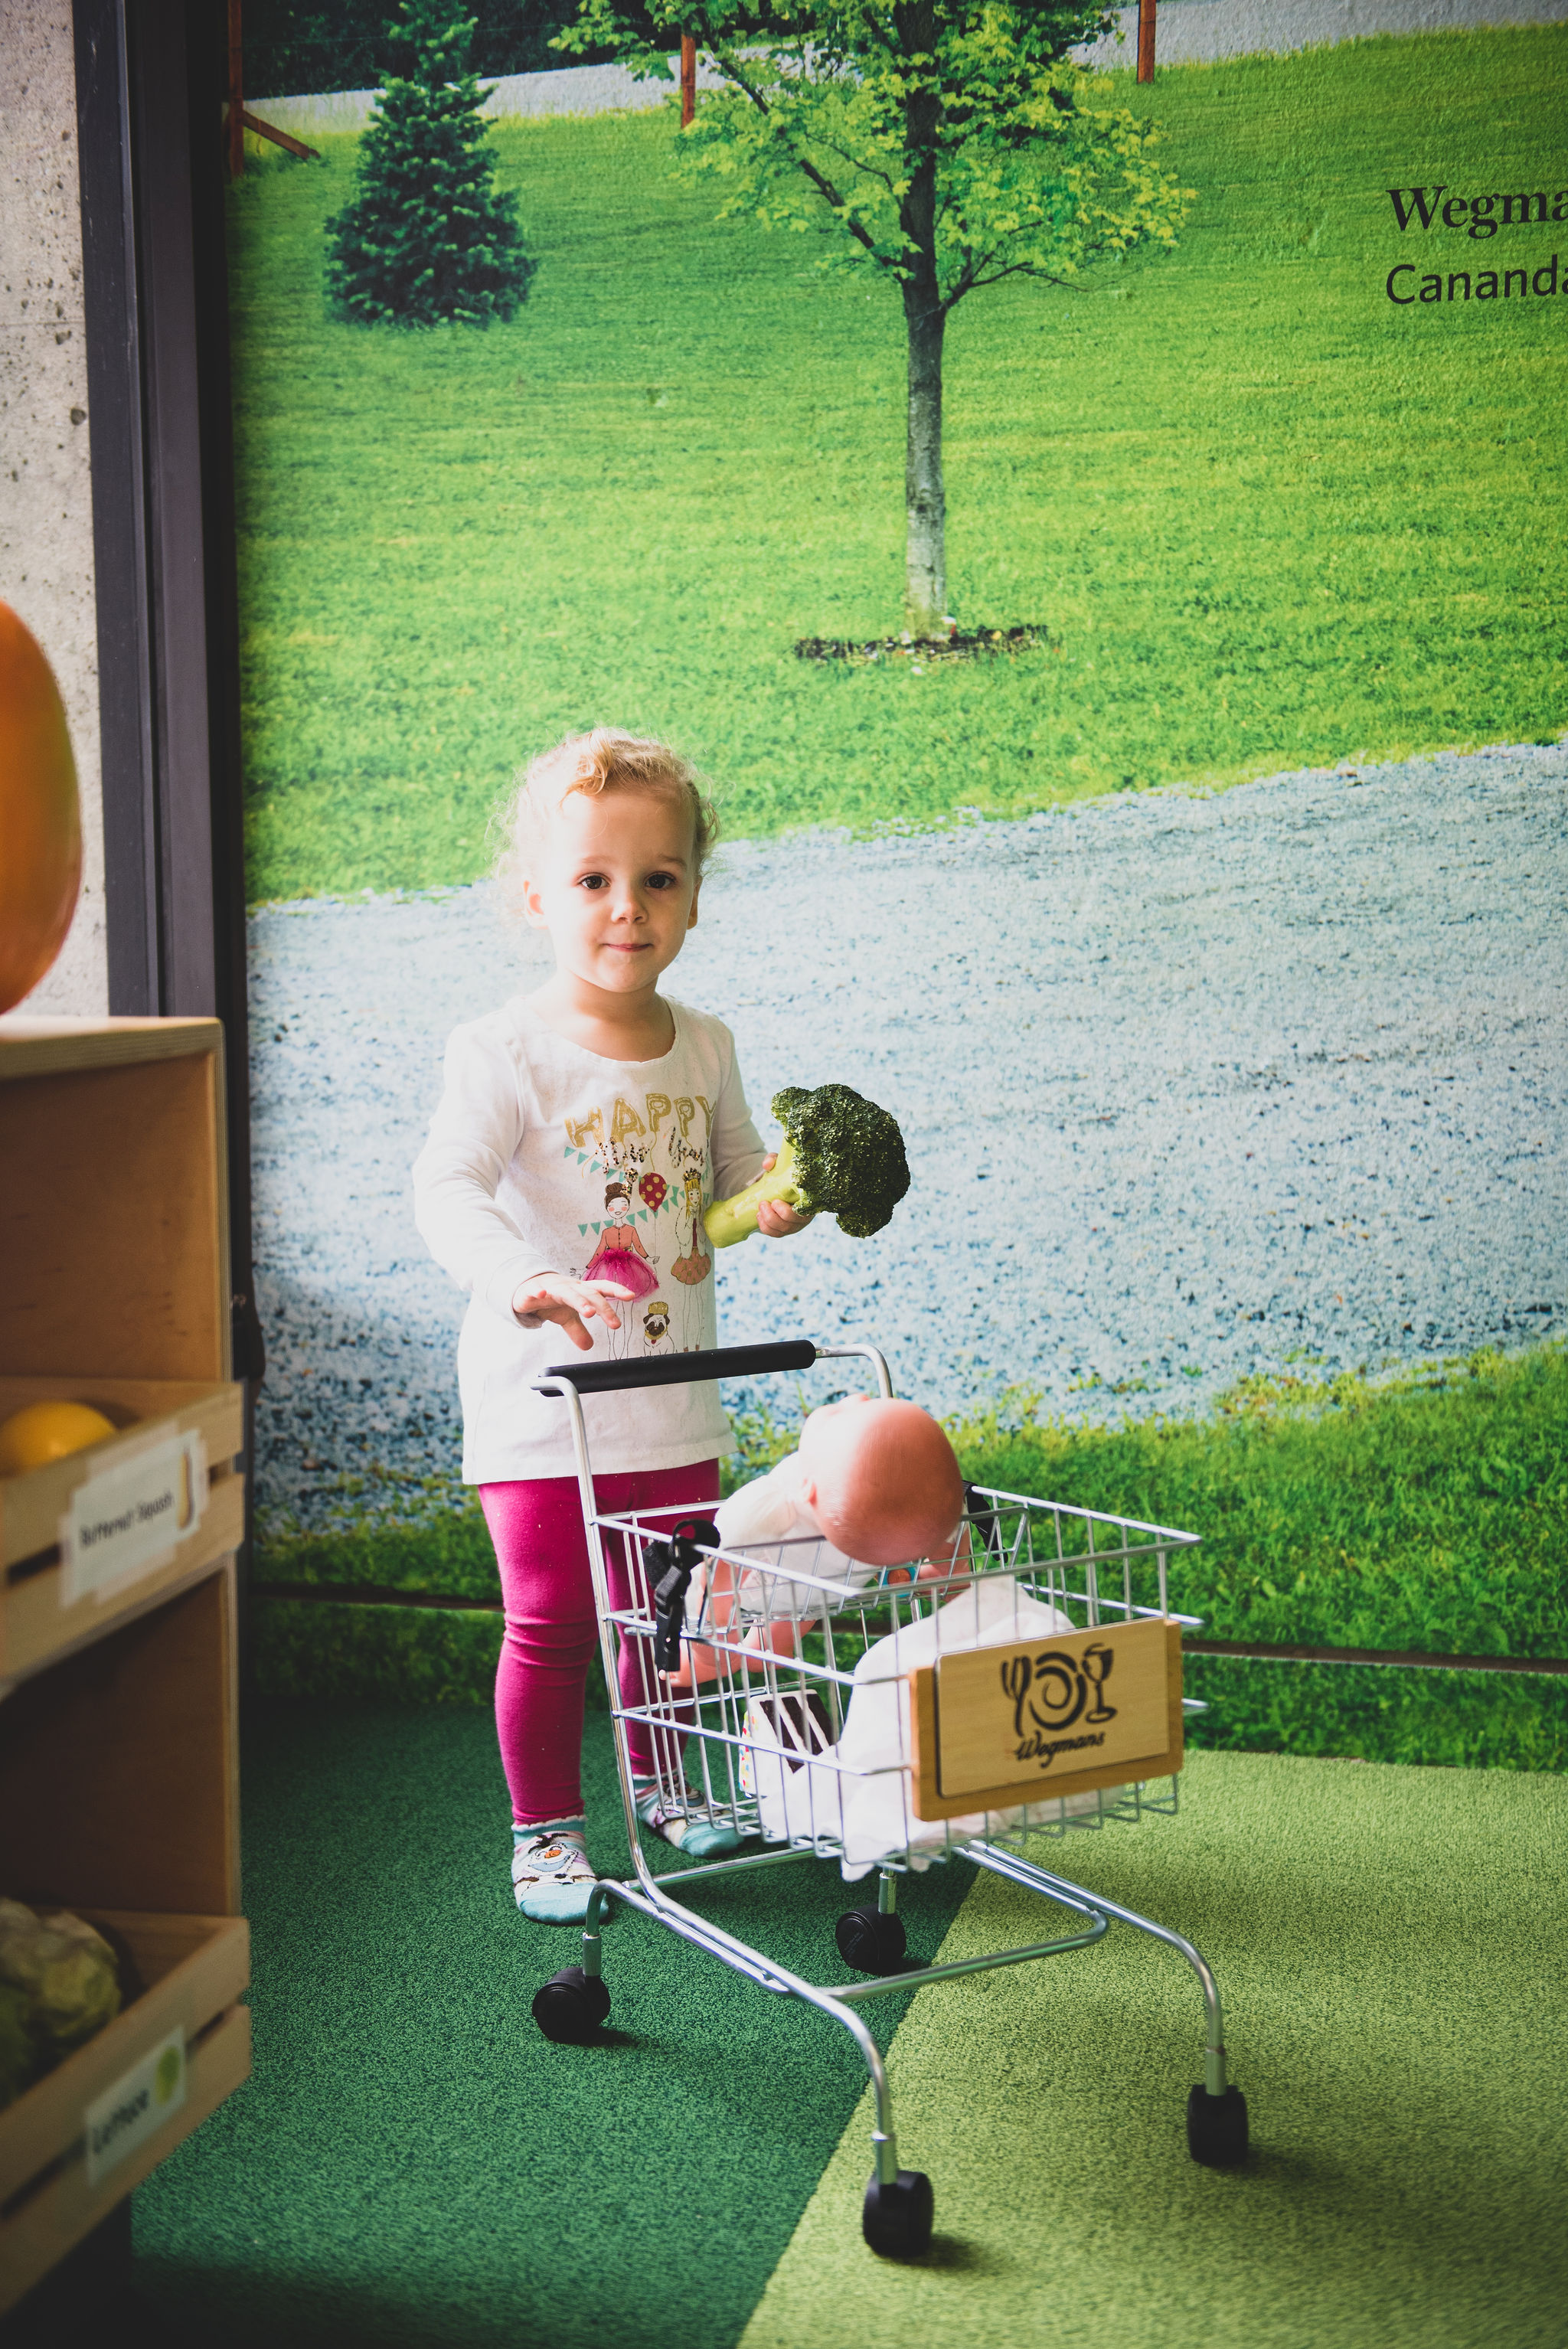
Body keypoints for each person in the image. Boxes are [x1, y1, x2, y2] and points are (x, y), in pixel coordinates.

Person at [413, 729, 813, 1923]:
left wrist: (779, 1199)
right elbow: (447, 1189)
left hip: (673, 1400)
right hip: (544, 1408)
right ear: (537, 896)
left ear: (694, 891)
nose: (625, 909)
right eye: (592, 881)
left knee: (667, 1611)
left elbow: (732, 1183)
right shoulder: (503, 1050)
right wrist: (521, 1280)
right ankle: (544, 1837)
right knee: (549, 1625)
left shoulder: (706, 1045)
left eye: (658, 879)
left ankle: (664, 1786)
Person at [671, 1396, 966, 1687]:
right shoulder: (912, 1510)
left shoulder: (775, 1504)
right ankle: (758, 1654)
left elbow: (723, 1568)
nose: (856, 1398)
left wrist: (717, 1640)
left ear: (807, 1489)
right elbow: (949, 1533)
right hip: (828, 1586)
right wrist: (950, 1574)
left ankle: (711, 1661)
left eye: (837, 1416)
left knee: (718, 1619)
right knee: (790, 1621)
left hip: (761, 1578)